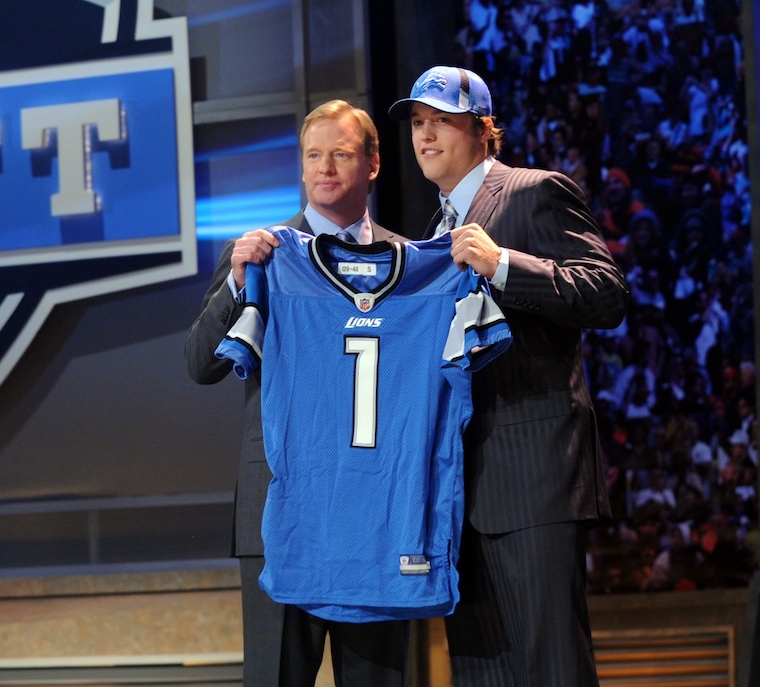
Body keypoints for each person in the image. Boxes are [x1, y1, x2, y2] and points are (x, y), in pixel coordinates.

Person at [388, 65, 630, 686]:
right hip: (458, 496)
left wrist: (503, 266)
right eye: (417, 123)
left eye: (440, 119)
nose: (425, 135)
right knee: (481, 675)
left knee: (551, 670)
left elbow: (606, 295)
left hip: (533, 477)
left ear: (482, 128)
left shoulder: (532, 192)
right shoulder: (431, 236)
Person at [185, 99, 408, 687]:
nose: (325, 167)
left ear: (373, 164)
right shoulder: (261, 255)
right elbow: (200, 365)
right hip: (278, 513)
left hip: (377, 516)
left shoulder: (409, 264)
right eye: (314, 155)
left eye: (341, 153)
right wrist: (236, 282)